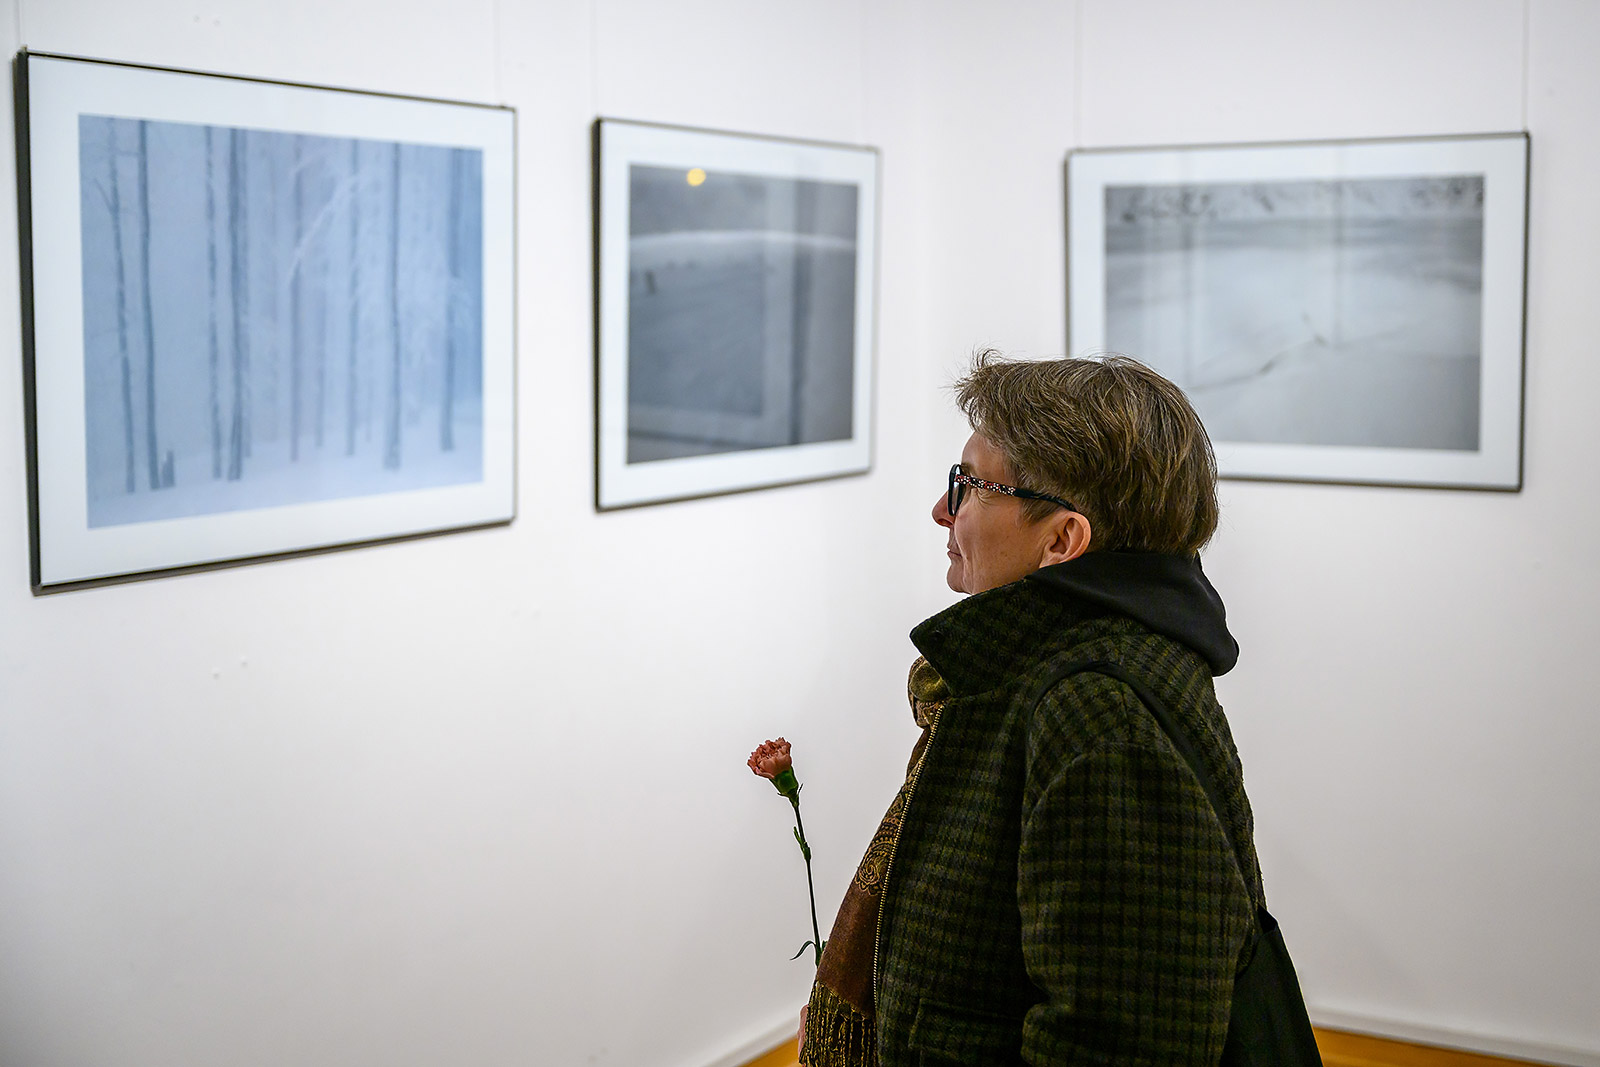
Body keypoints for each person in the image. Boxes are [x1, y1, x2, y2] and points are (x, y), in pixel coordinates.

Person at [799, 352, 1263, 1067]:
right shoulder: (1039, 675)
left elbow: (1120, 1044)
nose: (942, 510)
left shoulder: (1102, 717)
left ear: (1062, 540)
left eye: (969, 486)